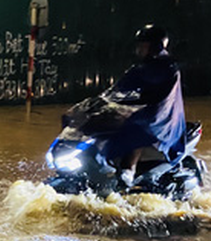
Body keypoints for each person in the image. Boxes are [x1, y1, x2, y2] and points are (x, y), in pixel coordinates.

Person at [64, 24, 187, 187]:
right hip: (147, 111)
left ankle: (128, 170)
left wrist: (124, 105)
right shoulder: (144, 66)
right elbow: (118, 89)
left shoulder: (165, 66)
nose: (139, 48)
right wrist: (93, 104)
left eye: (143, 44)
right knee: (99, 123)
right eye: (139, 44)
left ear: (155, 46)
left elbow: (149, 90)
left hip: (163, 120)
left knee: (136, 128)